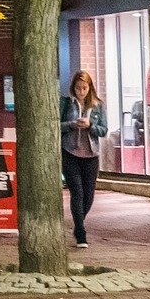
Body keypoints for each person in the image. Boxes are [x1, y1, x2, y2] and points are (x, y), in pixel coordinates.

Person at [62, 70, 108, 249]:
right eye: (78, 87)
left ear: (90, 88)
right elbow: (57, 125)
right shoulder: (66, 104)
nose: (81, 91)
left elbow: (104, 130)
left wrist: (91, 126)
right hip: (70, 153)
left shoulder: (98, 106)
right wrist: (72, 125)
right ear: (73, 88)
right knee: (77, 193)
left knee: (89, 196)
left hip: (91, 154)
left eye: (84, 88)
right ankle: (81, 232)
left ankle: (78, 223)